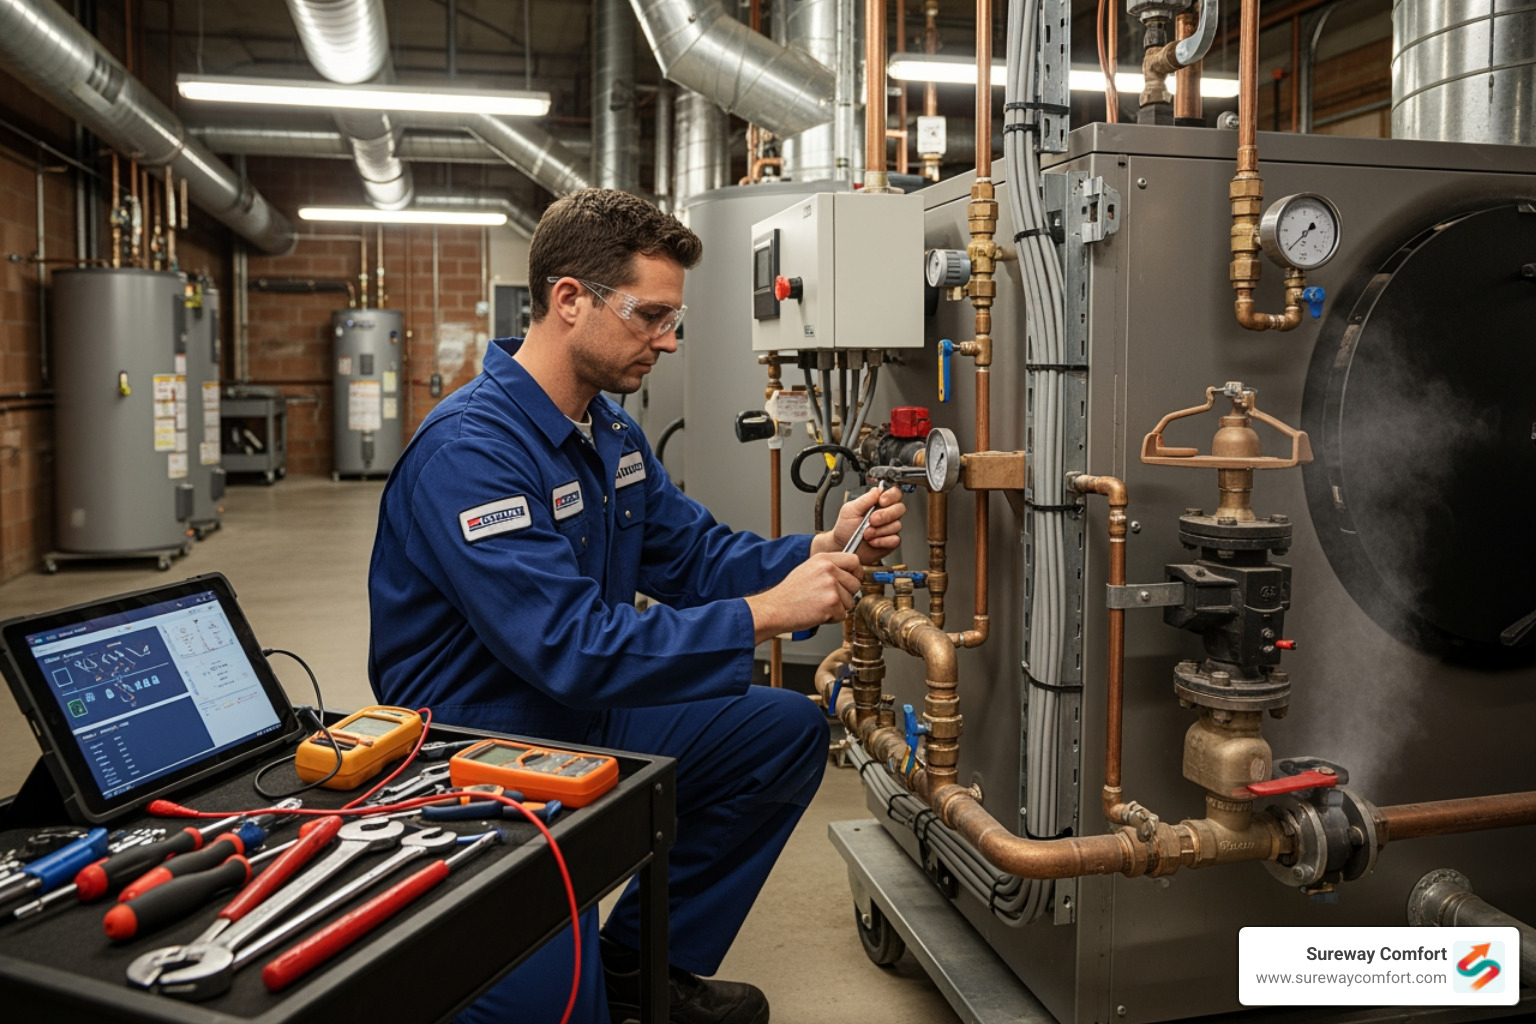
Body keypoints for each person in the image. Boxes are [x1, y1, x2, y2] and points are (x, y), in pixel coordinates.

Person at [367, 187, 905, 1024]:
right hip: (484, 746)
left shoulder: (607, 432)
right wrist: (766, 614)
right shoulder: (471, 453)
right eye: (649, 315)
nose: (669, 339)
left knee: (782, 733)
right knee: (551, 1008)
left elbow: (691, 555)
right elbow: (570, 646)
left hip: (584, 713)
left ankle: (644, 970)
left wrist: (814, 553)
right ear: (569, 300)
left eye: (673, 318)